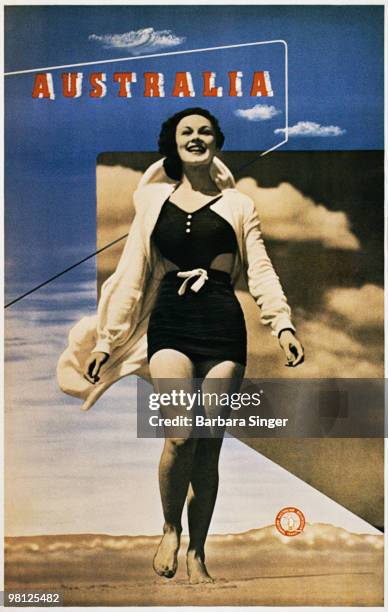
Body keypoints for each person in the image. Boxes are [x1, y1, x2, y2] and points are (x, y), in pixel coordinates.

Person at [57, 107, 304, 584]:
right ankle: (170, 529)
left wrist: (283, 325)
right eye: (186, 131)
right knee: (181, 435)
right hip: (170, 322)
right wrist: (107, 342)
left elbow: (260, 269)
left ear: (217, 142)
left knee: (207, 449)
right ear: (172, 143)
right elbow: (132, 275)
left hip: (222, 325)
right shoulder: (152, 201)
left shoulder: (239, 204)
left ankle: (198, 552)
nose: (196, 137)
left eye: (205, 131)